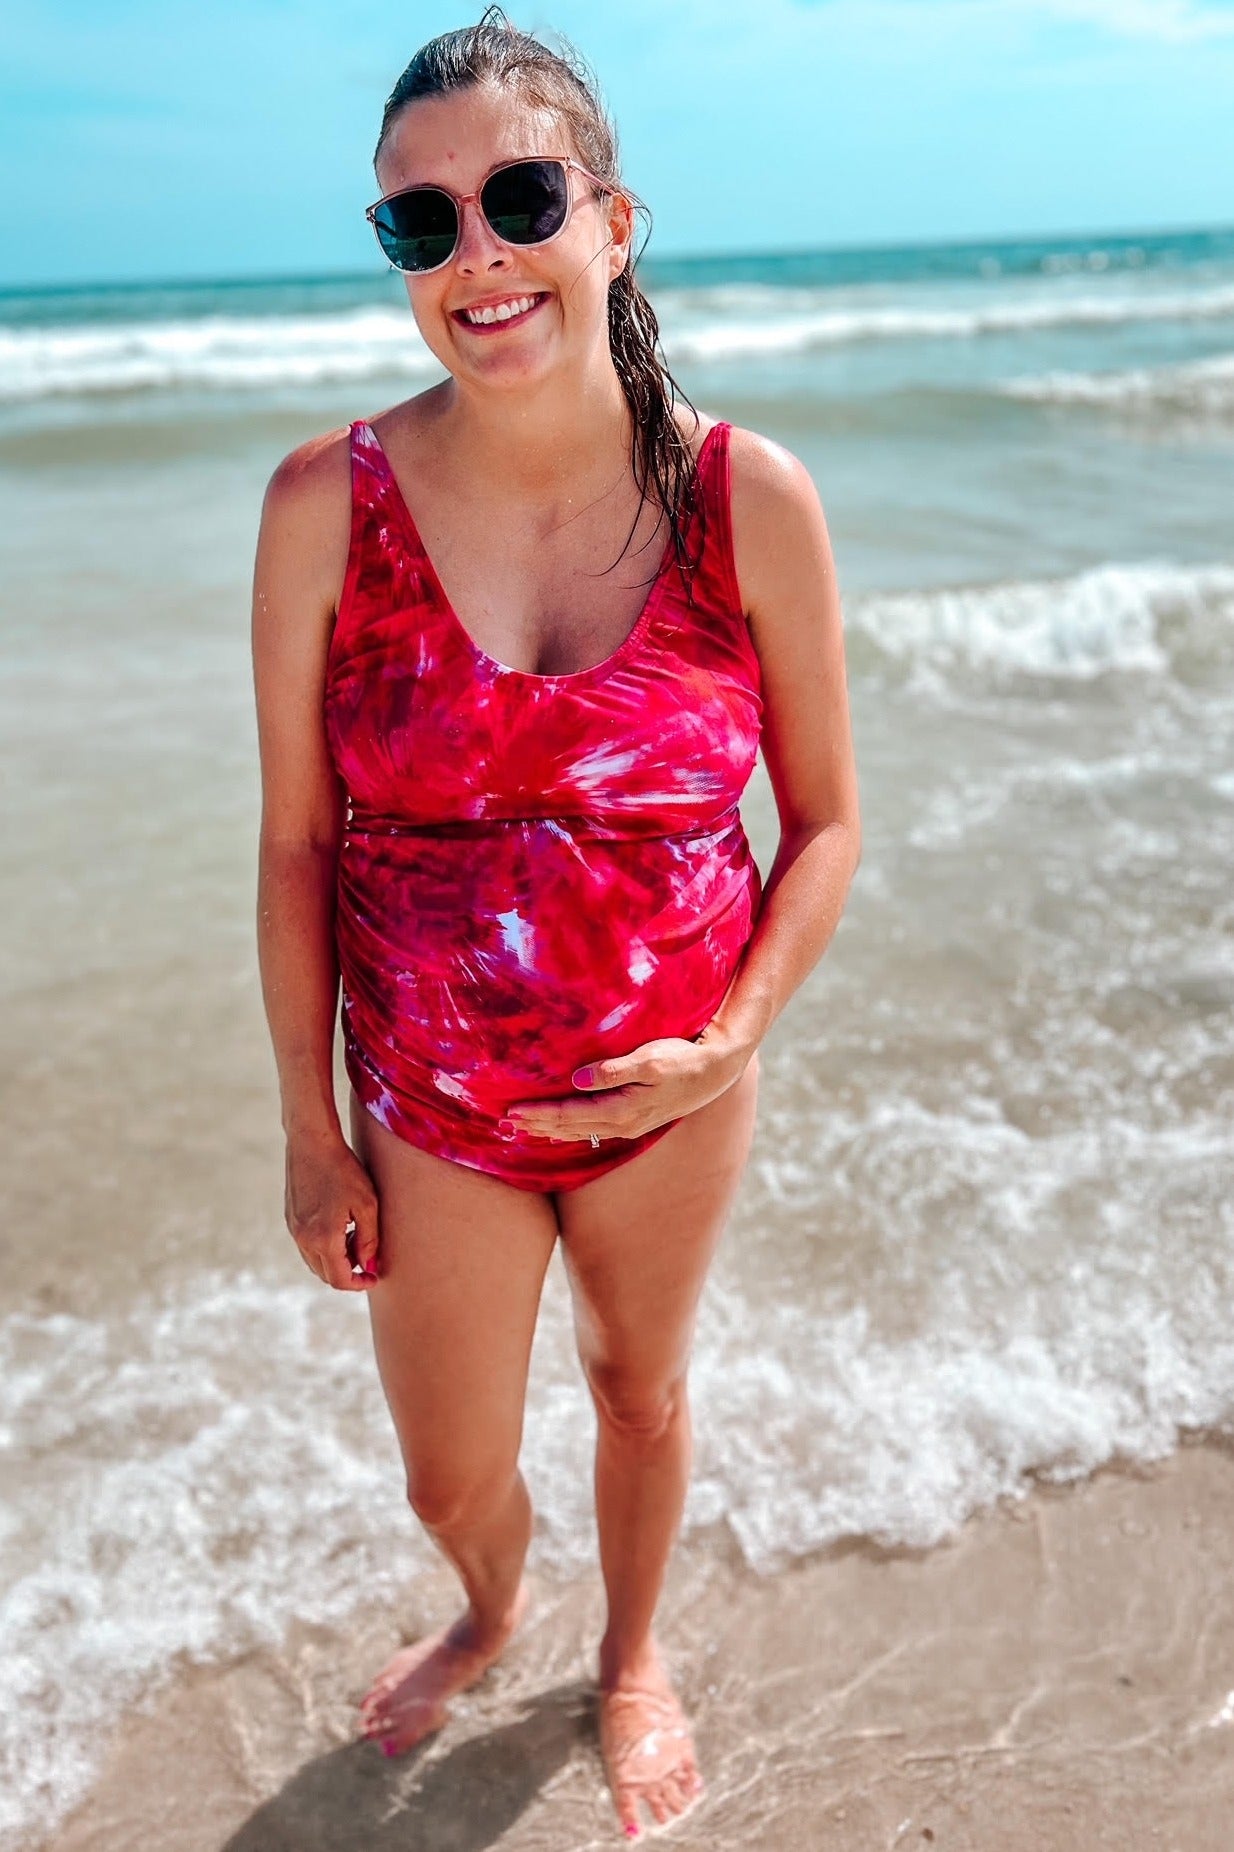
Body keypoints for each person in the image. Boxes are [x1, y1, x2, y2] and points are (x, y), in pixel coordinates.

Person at [250, 6, 859, 1839]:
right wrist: (310, 1131)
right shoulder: (323, 505)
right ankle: (491, 1605)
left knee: (636, 1390)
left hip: (673, 1088)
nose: (475, 254)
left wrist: (732, 1036)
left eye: (518, 198)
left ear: (611, 220)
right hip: (427, 1104)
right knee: (449, 1473)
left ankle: (630, 1654)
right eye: (417, 222)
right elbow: (295, 843)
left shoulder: (745, 498)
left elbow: (826, 824)